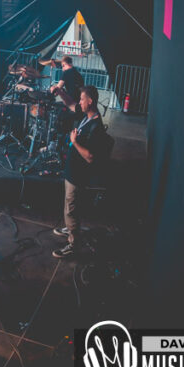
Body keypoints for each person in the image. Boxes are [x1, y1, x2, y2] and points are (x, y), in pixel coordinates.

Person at [53, 86, 107, 258]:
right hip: (71, 171)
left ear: (90, 101)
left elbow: (91, 157)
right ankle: (70, 228)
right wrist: (61, 92)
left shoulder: (96, 126)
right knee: (70, 207)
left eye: (83, 99)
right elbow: (71, 104)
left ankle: (73, 243)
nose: (80, 102)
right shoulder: (86, 116)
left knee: (71, 210)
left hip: (77, 176)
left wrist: (74, 142)